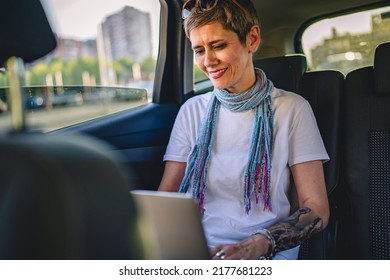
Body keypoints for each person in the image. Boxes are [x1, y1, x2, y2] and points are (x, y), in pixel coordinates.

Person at [158, 0, 329, 260]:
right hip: (198, 249)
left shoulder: (292, 109)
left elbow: (317, 209)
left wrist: (260, 244)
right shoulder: (192, 111)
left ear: (252, 39)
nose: (208, 61)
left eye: (218, 46)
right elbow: (166, 198)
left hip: (267, 250)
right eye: (198, 50)